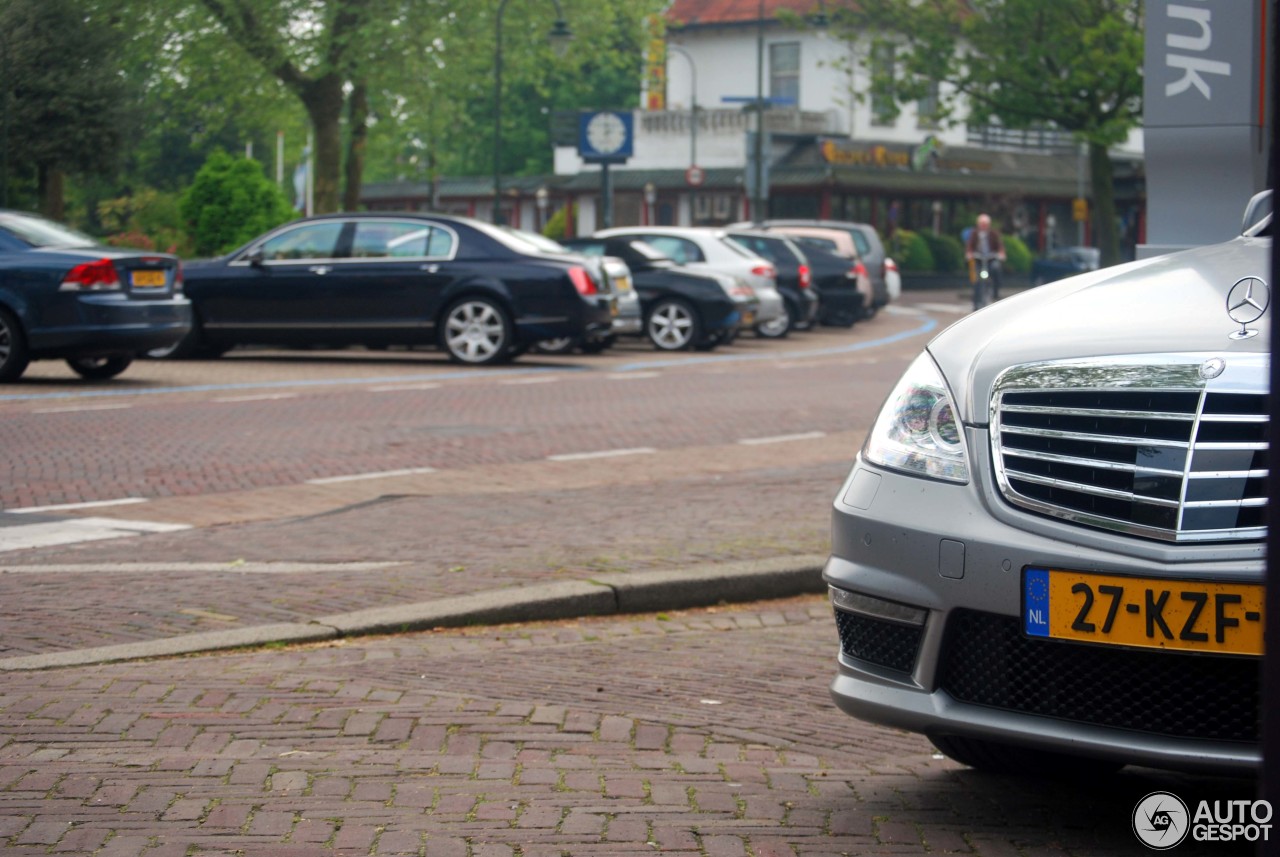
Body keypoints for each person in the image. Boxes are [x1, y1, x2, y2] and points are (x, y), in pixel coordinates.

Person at [964, 213, 1006, 307]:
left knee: (996, 267)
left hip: (990, 259)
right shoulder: (974, 233)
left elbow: (1000, 246)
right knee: (976, 278)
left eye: (985, 224)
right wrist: (969, 254)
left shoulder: (993, 233)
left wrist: (1001, 254)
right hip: (978, 259)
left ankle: (996, 290)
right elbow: (969, 246)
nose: (983, 226)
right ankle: (976, 302)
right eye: (981, 223)